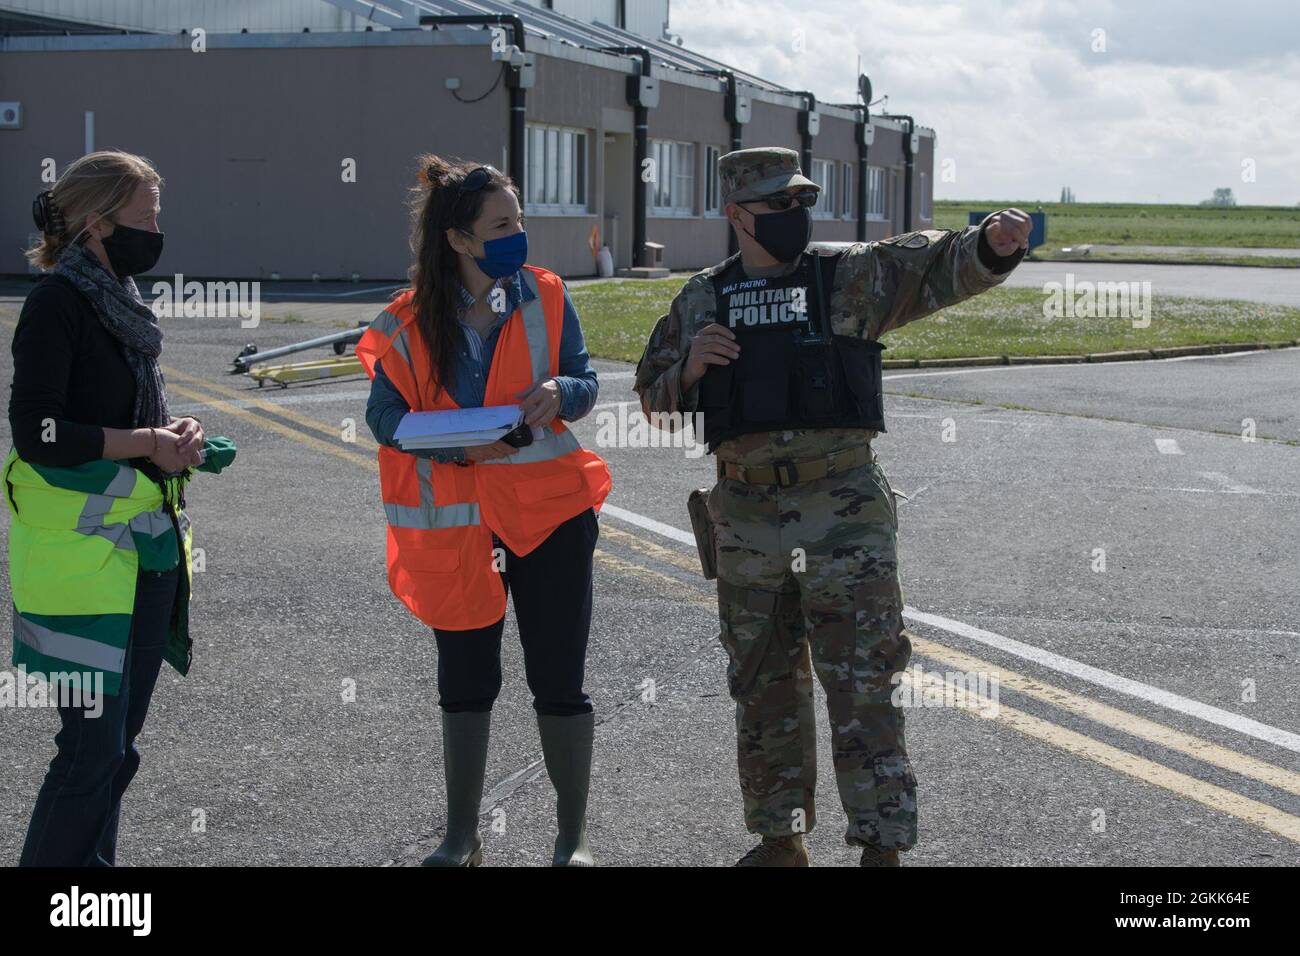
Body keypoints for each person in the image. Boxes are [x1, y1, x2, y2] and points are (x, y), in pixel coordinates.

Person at [634, 147, 1030, 866]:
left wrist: (991, 247)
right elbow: (653, 400)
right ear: (736, 214)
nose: (794, 216)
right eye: (777, 205)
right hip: (748, 519)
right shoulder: (702, 298)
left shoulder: (849, 275)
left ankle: (882, 845)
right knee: (763, 685)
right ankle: (780, 839)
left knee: (863, 683)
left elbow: (939, 270)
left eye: (799, 202)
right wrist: (689, 366)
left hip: (843, 514)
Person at [359, 156, 612, 867]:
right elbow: (383, 416)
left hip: (551, 515)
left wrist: (562, 390)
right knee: (466, 681)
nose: (518, 234)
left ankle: (572, 839)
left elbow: (586, 380)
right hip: (458, 527)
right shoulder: (406, 322)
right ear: (459, 240)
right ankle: (461, 838)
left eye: (519, 220)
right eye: (502, 225)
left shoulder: (549, 295)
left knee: (558, 677)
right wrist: (448, 446)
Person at [9, 149, 227, 866]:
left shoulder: (120, 301)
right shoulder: (57, 304)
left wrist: (178, 432)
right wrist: (146, 441)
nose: (157, 230)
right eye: (146, 215)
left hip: (142, 554)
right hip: (78, 571)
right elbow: (38, 435)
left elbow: (125, 421)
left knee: (114, 753)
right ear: (96, 223)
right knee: (88, 754)